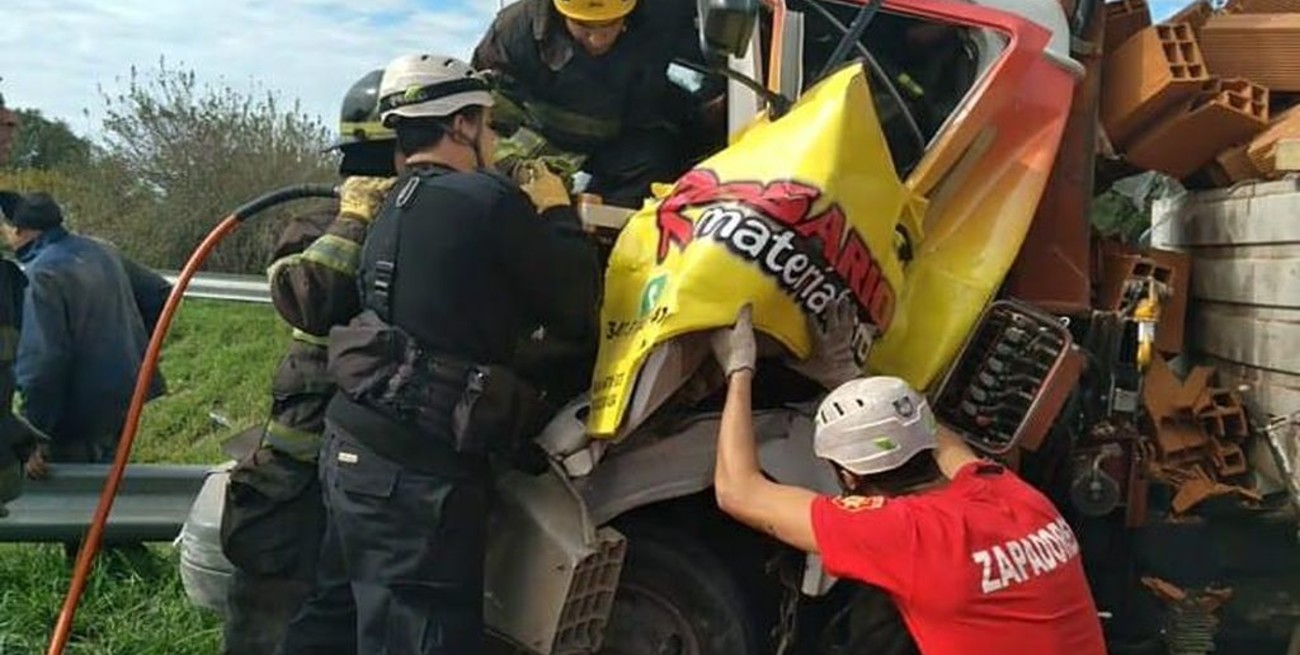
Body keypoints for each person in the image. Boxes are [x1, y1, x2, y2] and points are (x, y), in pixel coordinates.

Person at [277, 53, 599, 655]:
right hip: (415, 481)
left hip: (351, 450)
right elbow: (577, 305)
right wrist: (555, 208)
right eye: (489, 123)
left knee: (335, 618)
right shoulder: (486, 200)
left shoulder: (385, 204)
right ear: (461, 125)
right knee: (423, 635)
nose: (495, 138)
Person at [707, 302, 1108, 655]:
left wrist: (739, 370)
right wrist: (847, 375)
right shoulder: (1014, 496)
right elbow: (949, 447)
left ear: (847, 477)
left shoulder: (906, 536)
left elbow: (737, 491)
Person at [218, 69, 400, 655]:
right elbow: (310, 296)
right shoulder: (319, 222)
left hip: (383, 460)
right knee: (277, 595)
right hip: (303, 461)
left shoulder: (430, 222)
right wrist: (355, 219)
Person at [472, 0, 722, 208]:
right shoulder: (514, 32)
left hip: (628, 144)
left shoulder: (665, 17)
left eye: (610, 24)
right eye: (583, 26)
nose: (597, 40)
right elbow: (478, 122)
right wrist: (520, 172)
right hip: (539, 143)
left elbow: (725, 57)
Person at [0, 192, 165, 471]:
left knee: (65, 505)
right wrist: (135, 349)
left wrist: (33, 433)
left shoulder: (40, 274)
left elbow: (43, 364)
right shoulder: (102, 250)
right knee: (101, 488)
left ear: (16, 229)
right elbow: (160, 294)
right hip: (123, 398)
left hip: (72, 416)